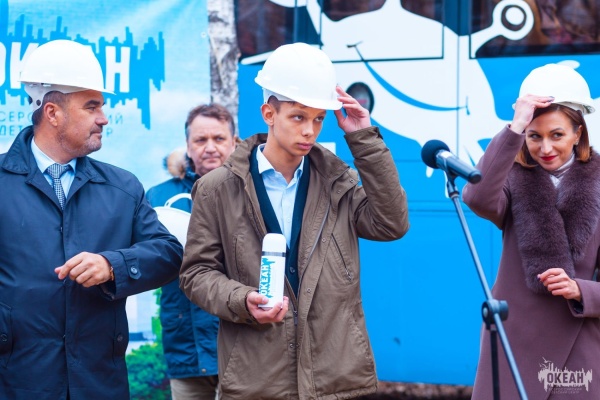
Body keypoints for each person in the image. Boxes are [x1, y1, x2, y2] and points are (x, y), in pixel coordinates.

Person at [179, 42, 410, 399]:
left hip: (335, 379)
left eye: (318, 119)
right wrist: (242, 299)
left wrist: (363, 137)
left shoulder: (338, 183)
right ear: (268, 114)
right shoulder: (217, 189)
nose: (310, 131)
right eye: (298, 117)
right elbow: (196, 274)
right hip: (257, 380)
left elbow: (391, 223)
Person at [0, 40, 183, 399]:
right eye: (92, 106)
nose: (104, 117)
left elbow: (168, 253)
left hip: (99, 383)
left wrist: (113, 265)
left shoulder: (123, 188)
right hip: (16, 382)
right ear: (52, 112)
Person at [463, 63, 600, 398]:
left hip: (580, 344)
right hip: (514, 341)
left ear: (578, 133)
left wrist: (580, 290)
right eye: (534, 136)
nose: (545, 148)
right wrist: (515, 126)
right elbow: (476, 197)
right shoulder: (511, 178)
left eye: (557, 135)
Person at [146, 104, 237, 400]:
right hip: (186, 345)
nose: (210, 147)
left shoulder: (255, 190)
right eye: (200, 140)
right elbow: (147, 258)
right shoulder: (159, 196)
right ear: (187, 144)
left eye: (219, 138)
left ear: (234, 142)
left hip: (243, 345)